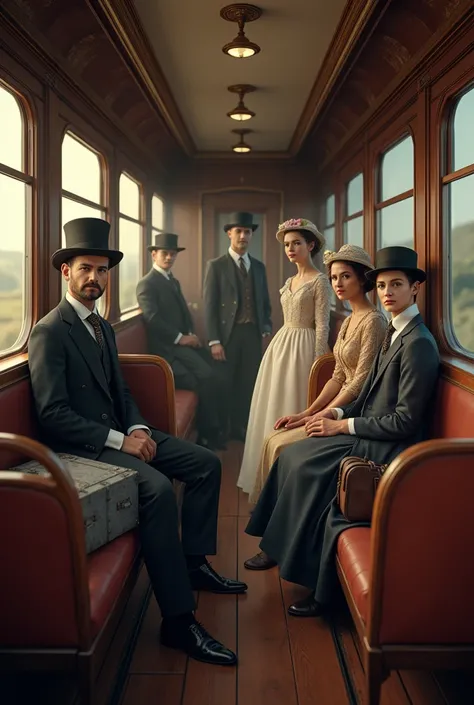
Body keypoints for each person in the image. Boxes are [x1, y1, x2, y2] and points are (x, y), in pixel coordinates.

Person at [28, 218, 247, 666]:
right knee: (158, 490)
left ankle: (193, 563)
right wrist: (116, 440)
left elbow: (122, 393)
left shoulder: (102, 327)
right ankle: (178, 621)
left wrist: (139, 430)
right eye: (86, 268)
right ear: (65, 272)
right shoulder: (50, 331)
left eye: (102, 270)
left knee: (207, 464)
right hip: (84, 448)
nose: (95, 278)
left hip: (122, 435)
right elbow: (52, 417)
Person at [243, 246, 439, 617]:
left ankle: (321, 591)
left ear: (415, 288)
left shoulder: (418, 344)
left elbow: (406, 422)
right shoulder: (395, 331)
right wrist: (330, 413)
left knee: (305, 465)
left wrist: (342, 425)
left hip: (392, 449)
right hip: (368, 430)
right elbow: (364, 392)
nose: (387, 293)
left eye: (396, 284)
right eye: (381, 285)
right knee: (294, 456)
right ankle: (277, 547)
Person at [245, 245, 386, 521]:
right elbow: (338, 376)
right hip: (339, 405)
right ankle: (271, 517)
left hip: (355, 413)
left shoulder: (374, 321)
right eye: (334, 278)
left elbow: (358, 383)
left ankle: (279, 522)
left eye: (345, 276)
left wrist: (324, 415)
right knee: (271, 438)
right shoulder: (347, 321)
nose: (338, 284)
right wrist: (306, 412)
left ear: (362, 279)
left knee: (282, 446)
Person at [237, 218, 331, 497]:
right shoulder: (290, 280)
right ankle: (265, 481)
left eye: (296, 244)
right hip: (282, 345)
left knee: (296, 400)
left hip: (305, 346)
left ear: (310, 245)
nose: (290, 249)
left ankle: (291, 484)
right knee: (272, 404)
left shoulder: (321, 281)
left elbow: (323, 324)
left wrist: (317, 362)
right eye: (287, 245)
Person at [136, 232, 226, 450]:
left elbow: (182, 315)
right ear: (154, 255)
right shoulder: (147, 284)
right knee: (205, 377)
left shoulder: (171, 280)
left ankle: (214, 431)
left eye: (173, 254)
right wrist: (181, 338)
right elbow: (153, 319)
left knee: (216, 371)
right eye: (165, 253)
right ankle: (208, 435)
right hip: (166, 352)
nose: (169, 257)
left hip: (181, 346)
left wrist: (191, 335)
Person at [203, 212, 272, 441]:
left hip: (252, 334)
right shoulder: (216, 266)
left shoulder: (259, 267)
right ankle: (221, 430)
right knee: (224, 383)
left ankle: (240, 428)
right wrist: (214, 340)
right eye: (239, 231)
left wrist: (266, 326)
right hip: (226, 336)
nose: (243, 236)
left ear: (251, 235)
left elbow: (264, 301)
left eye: (247, 232)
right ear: (229, 234)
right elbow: (210, 306)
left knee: (248, 383)